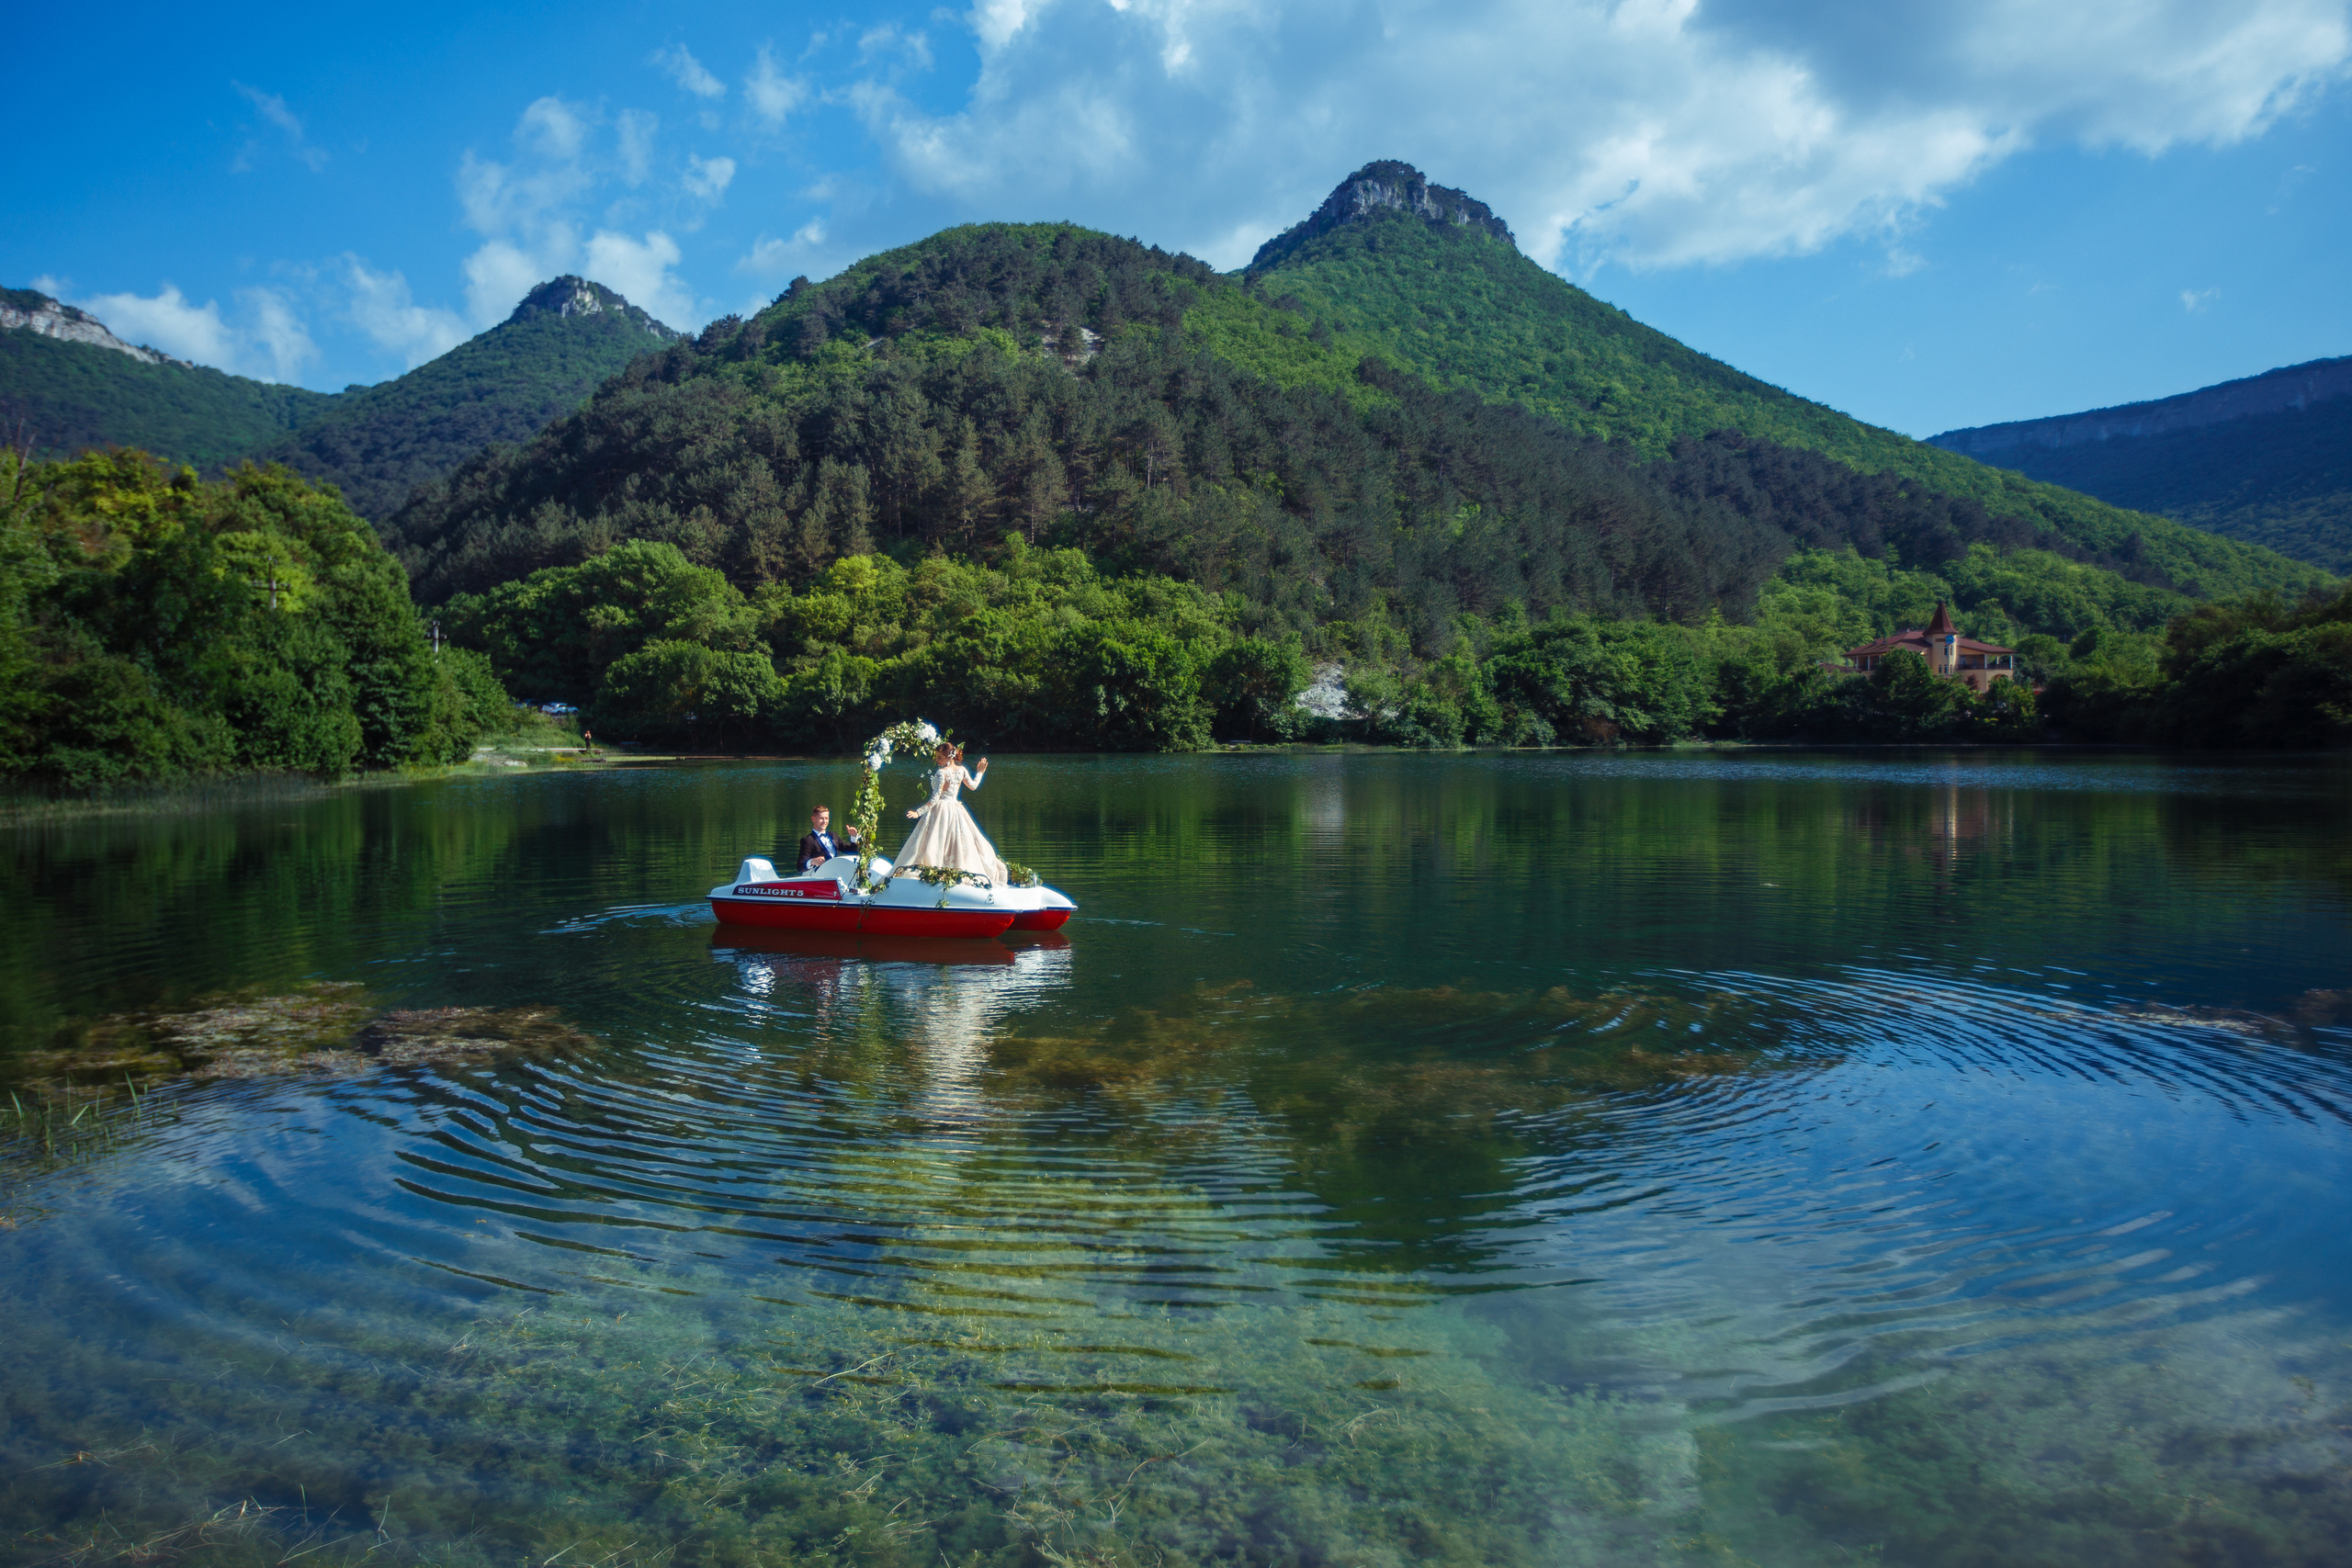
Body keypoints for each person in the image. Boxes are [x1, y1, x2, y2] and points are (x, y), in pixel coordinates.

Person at [896, 742, 1008, 881]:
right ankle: (953, 870)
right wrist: (979, 773)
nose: (937, 760)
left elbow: (935, 798)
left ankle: (937, 871)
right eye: (936, 757)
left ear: (949, 757)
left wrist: (919, 812)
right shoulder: (962, 770)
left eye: (940, 758)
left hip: (941, 810)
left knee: (935, 841)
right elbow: (973, 786)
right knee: (955, 841)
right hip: (955, 809)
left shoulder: (941, 773)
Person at [797, 806, 861, 872]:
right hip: (820, 876)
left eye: (826, 818)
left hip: (836, 873)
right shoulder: (808, 840)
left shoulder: (833, 835)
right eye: (821, 818)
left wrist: (853, 836)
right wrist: (812, 861)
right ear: (813, 819)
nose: (824, 821)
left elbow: (853, 851)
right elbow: (800, 866)